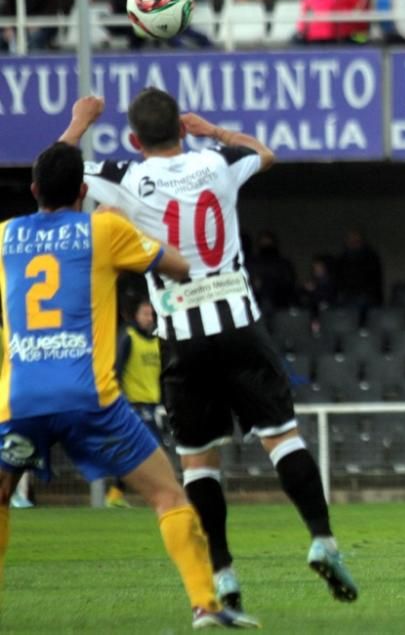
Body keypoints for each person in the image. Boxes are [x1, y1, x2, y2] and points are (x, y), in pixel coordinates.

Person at [59, 91, 358, 613]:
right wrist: (215, 131)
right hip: (239, 323)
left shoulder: (124, 176)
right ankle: (322, 539)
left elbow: (55, 172)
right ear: (182, 128)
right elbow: (265, 153)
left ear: (134, 140)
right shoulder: (215, 161)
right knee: (281, 438)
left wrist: (78, 123)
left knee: (199, 464)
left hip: (181, 335)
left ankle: (222, 577)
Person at [0, 141, 255, 628]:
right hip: (90, 397)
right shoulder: (104, 229)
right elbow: (180, 267)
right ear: (82, 189)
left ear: (33, 190)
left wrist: (76, 126)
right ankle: (206, 604)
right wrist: (130, 223)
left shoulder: (6, 235)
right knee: (168, 497)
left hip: (20, 400)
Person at [105, 298, 165, 508]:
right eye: (145, 314)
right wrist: (119, 402)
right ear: (136, 316)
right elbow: (117, 371)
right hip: (134, 404)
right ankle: (159, 494)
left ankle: (116, 493)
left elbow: (162, 374)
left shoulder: (157, 340)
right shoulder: (128, 338)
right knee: (155, 448)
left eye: (151, 314)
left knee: (136, 452)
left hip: (153, 404)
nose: (149, 318)